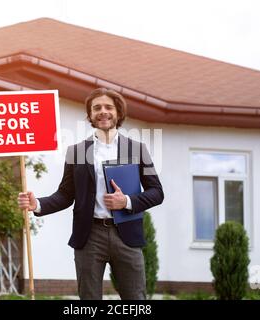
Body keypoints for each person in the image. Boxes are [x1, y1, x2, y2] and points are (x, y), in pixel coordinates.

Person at [18, 87, 164, 300]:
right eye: (97, 108)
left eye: (108, 107)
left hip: (126, 235)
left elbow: (157, 192)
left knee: (135, 300)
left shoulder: (137, 149)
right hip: (89, 236)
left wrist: (127, 201)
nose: (102, 111)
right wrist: (37, 204)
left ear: (118, 113)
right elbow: (65, 194)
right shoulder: (76, 152)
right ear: (90, 115)